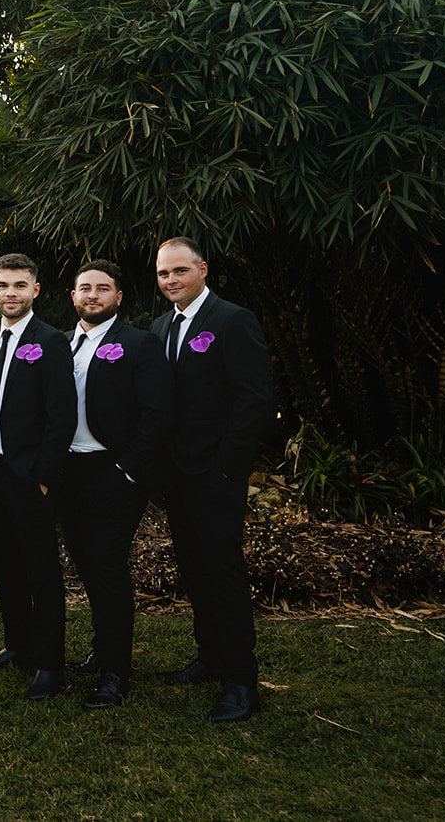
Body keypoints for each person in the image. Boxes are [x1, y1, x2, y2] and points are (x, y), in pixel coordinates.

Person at [150, 237, 274, 722]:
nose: (171, 281)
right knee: (194, 570)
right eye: (163, 274)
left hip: (215, 475)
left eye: (180, 271)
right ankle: (211, 658)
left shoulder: (231, 320)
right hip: (176, 476)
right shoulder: (161, 326)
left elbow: (254, 399)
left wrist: (226, 464)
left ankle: (242, 683)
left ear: (202, 269)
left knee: (223, 574)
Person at [55, 259, 170, 710]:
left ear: (119, 298)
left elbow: (157, 413)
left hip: (113, 471)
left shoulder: (139, 344)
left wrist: (129, 470)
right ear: (73, 297)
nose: (93, 295)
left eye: (103, 288)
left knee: (106, 566)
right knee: (85, 564)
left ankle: (115, 673)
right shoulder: (60, 345)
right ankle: (102, 651)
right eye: (85, 288)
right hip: (69, 471)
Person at [0, 253, 77, 702]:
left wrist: (44, 475)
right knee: (5, 566)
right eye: (2, 284)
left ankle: (51, 665)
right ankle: (19, 647)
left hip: (29, 476)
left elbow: (62, 415)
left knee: (41, 572)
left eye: (19, 285)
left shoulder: (50, 340)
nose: (10, 293)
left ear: (36, 290)